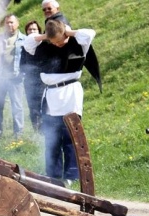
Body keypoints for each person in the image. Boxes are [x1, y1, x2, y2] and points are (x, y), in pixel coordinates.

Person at [24, 20, 96, 184]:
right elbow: (27, 42)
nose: (57, 44)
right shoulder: (43, 44)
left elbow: (90, 33)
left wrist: (67, 33)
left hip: (70, 94)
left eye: (60, 40)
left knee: (70, 137)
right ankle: (53, 176)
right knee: (52, 138)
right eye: (53, 42)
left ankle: (71, 175)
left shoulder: (78, 42)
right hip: (51, 95)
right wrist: (48, 36)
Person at [0, 14, 26, 139]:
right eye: (7, 23)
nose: (9, 25)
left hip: (16, 78)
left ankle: (19, 134)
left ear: (17, 24)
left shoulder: (24, 39)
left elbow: (28, 59)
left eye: (11, 22)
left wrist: (24, 72)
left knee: (17, 106)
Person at [20, 20, 44, 132]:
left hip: (43, 81)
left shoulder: (44, 45)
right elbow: (22, 64)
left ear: (39, 30)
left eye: (34, 29)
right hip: (30, 81)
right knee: (33, 107)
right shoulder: (24, 47)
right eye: (30, 30)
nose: (32, 31)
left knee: (44, 106)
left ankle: (47, 129)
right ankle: (37, 130)